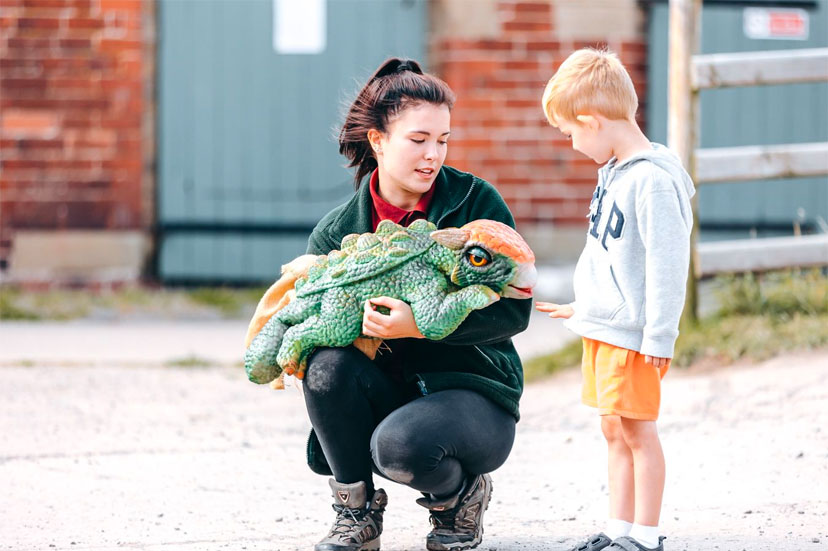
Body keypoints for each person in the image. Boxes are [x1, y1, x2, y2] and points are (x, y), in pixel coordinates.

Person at [300, 57, 532, 551]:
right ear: (378, 140)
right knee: (323, 367)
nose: (433, 155)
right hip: (388, 389)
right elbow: (308, 318)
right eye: (418, 139)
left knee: (399, 448)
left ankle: (460, 499)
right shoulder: (338, 233)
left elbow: (516, 310)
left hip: (471, 393)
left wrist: (421, 327)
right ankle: (354, 511)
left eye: (443, 141)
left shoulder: (475, 204)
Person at [535, 48, 695, 551]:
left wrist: (660, 334)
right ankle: (618, 528)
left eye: (571, 134)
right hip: (604, 327)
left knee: (637, 430)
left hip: (634, 335)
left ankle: (646, 536)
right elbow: (606, 254)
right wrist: (583, 308)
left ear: (592, 121)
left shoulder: (650, 181)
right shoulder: (614, 172)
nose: (573, 144)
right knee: (612, 428)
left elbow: (667, 267)